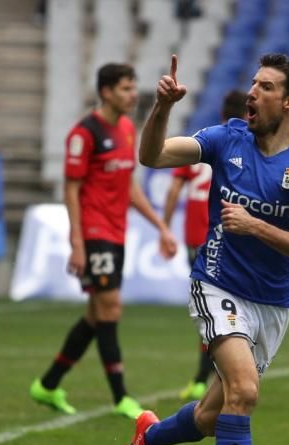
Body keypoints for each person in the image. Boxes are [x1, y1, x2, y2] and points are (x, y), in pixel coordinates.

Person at [119, 53, 289, 445]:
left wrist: (257, 226)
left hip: (274, 304)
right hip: (217, 283)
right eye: (252, 83)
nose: (251, 94)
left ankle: (149, 437)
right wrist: (161, 108)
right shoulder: (226, 138)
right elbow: (151, 156)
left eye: (264, 87)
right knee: (244, 389)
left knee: (213, 416)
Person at [29, 63, 178, 420]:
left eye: (133, 88)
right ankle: (121, 397)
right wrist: (77, 241)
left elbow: (128, 185)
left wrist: (161, 225)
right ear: (106, 92)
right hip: (94, 233)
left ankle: (48, 384)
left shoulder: (127, 129)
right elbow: (72, 188)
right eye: (126, 89)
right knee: (110, 308)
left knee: (97, 315)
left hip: (116, 233)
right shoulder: (85, 133)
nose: (132, 95)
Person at [163, 89, 249, 401]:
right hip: (226, 236)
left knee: (214, 309)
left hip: (196, 236)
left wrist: (164, 227)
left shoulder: (204, 143)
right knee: (228, 306)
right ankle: (218, 375)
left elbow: (174, 189)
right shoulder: (243, 147)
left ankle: (209, 377)